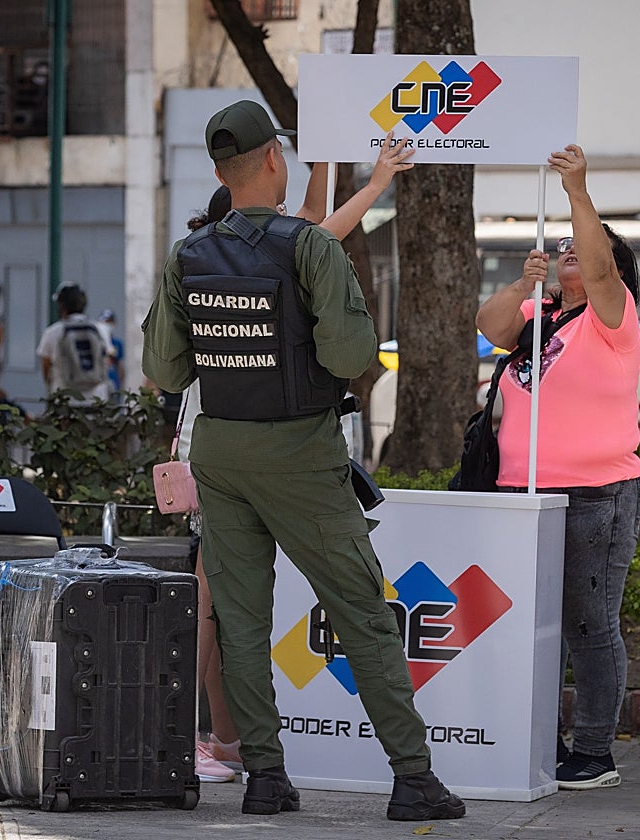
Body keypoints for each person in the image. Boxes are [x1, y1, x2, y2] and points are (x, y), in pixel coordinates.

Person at [142, 99, 461, 821]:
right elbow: (350, 356)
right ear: (274, 160)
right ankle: (414, 779)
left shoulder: (187, 255)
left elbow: (164, 368)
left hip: (221, 455)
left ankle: (264, 777)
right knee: (362, 611)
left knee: (240, 622)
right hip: (301, 455)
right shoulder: (309, 246)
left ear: (220, 172)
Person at [180, 134, 415, 785]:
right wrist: (376, 182)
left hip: (218, 452)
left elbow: (313, 218)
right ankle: (187, 736)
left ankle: (235, 751)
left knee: (230, 612)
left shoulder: (202, 261)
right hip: (265, 451)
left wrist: (328, 149)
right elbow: (322, 232)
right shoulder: (277, 257)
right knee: (221, 607)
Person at [476, 144, 640, 790]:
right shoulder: (541, 315)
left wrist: (578, 192)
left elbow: (599, 269)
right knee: (532, 623)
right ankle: (542, 741)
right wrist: (524, 285)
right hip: (524, 494)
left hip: (595, 494)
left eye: (586, 246)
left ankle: (595, 752)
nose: (572, 250)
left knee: (587, 622)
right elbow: (489, 325)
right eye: (567, 245)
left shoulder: (613, 319)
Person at [36, 284, 116, 404]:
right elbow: (107, 360)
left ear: (61, 305)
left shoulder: (52, 332)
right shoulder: (99, 330)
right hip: (97, 400)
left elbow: (46, 368)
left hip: (65, 402)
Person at [100, 309, 125, 395]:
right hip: (101, 381)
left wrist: (121, 383)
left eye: (111, 322)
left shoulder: (117, 343)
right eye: (106, 322)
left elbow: (119, 364)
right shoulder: (97, 342)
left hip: (114, 381)